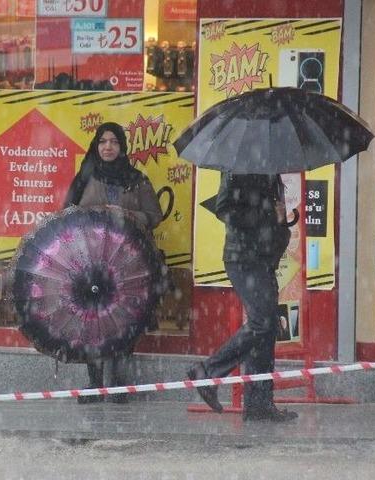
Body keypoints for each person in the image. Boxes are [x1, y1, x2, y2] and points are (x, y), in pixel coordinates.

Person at [64, 122, 163, 404]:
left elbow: (154, 216)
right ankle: (94, 384)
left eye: (114, 142)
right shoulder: (85, 177)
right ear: (97, 146)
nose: (108, 147)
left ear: (122, 147)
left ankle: (118, 383)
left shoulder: (136, 179)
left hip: (127, 265)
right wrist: (92, 216)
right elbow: (67, 216)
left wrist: (127, 214)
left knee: (124, 320)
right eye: (103, 142)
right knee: (90, 322)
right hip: (90, 263)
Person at [187, 173, 297, 422]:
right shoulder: (237, 167)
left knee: (268, 329)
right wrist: (267, 216)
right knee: (262, 323)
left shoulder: (273, 171)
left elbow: (275, 225)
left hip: (266, 260)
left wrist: (280, 221)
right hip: (243, 258)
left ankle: (259, 404)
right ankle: (208, 370)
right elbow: (224, 209)